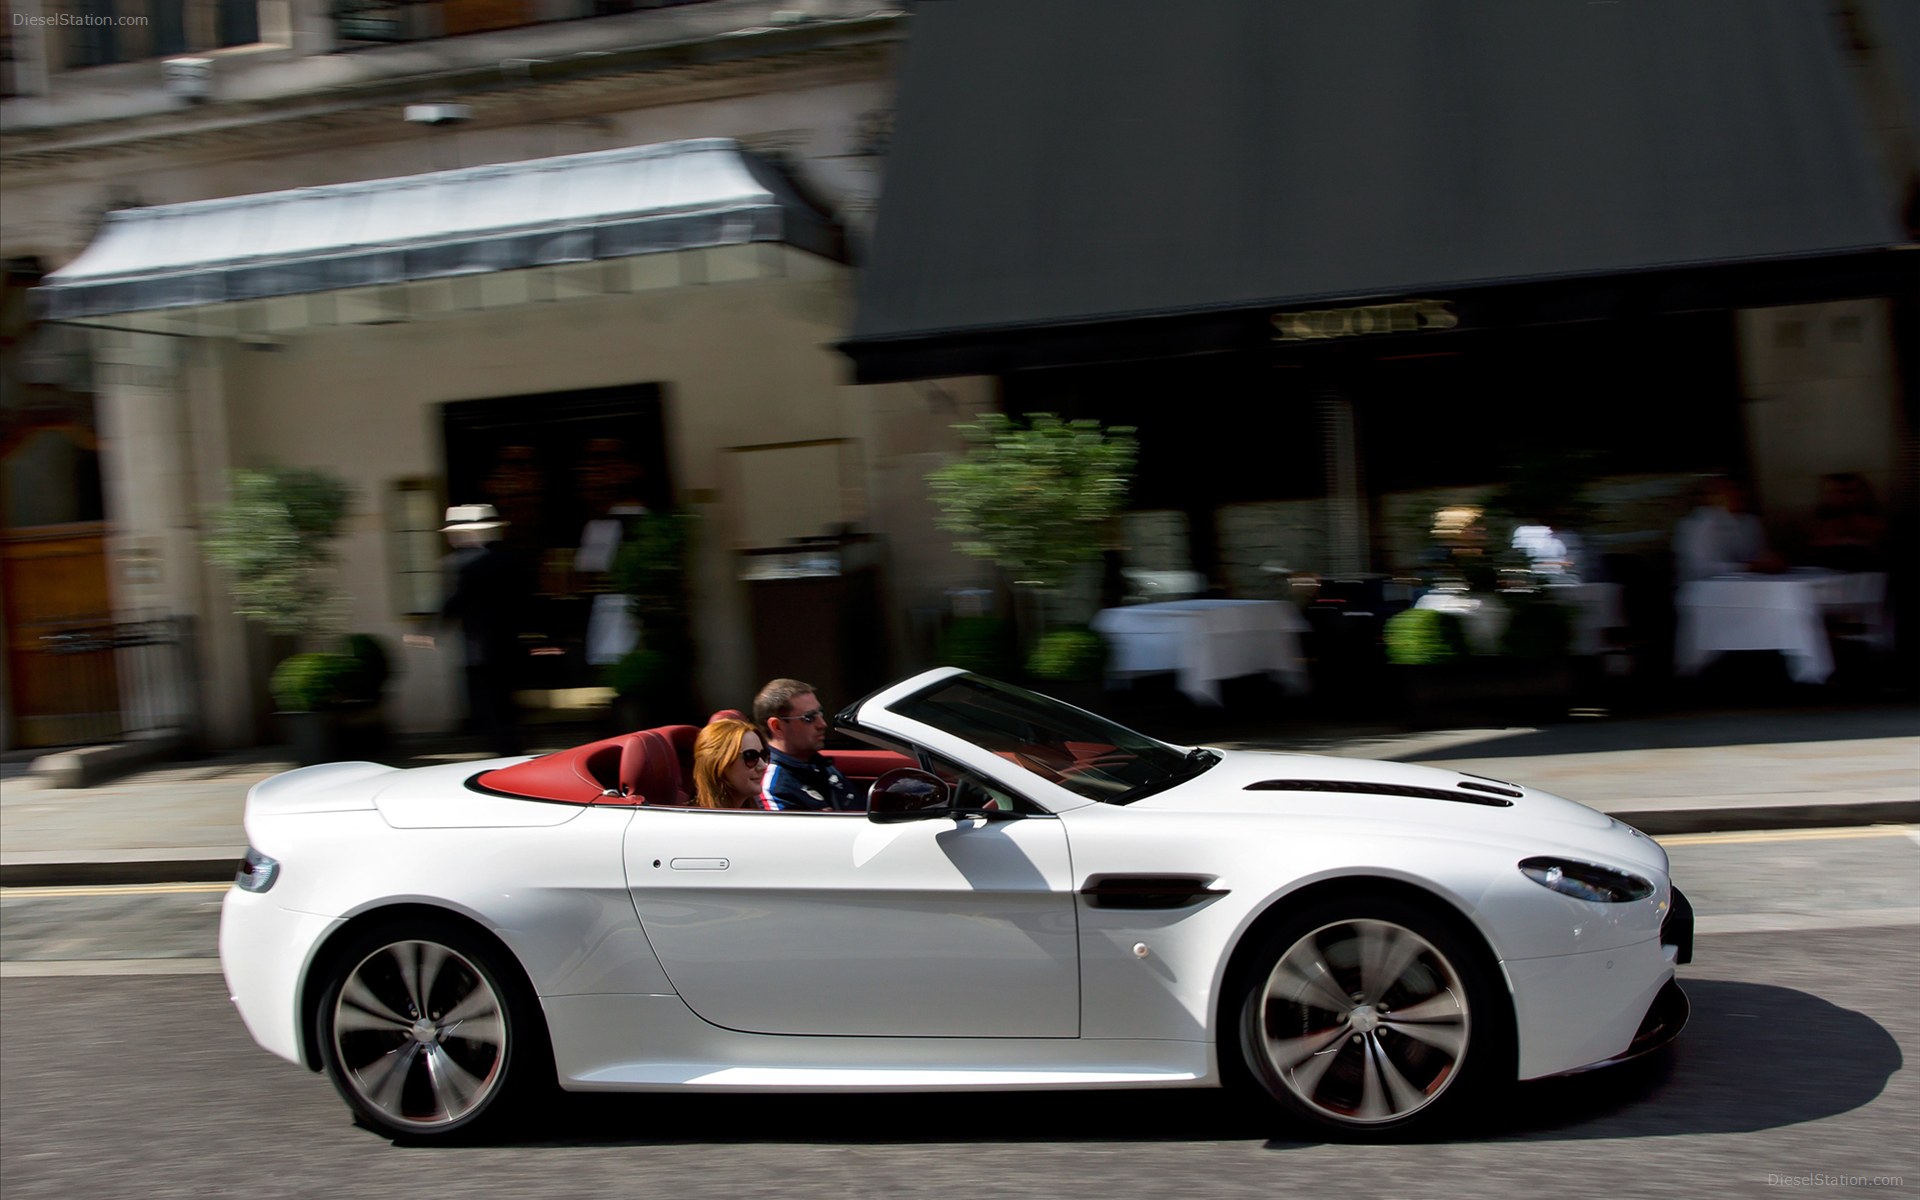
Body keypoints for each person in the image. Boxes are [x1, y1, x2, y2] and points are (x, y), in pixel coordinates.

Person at [435, 503, 532, 756]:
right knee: (505, 703)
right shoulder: (511, 558)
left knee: (489, 705)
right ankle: (513, 749)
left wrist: (434, 627)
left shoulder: (467, 564)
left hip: (481, 647)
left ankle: (504, 751)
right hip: (508, 643)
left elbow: (457, 601)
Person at [753, 677, 860, 812]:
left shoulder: (820, 765)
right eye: (809, 717)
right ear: (777, 726)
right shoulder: (774, 786)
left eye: (820, 713)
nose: (822, 724)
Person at [1673, 477, 1785, 583]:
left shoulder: (1751, 523)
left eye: (1739, 490)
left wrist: (1770, 562)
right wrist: (1750, 567)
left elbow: (1759, 557)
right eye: (1729, 491)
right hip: (1705, 592)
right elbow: (1701, 569)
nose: (1738, 495)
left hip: (1749, 587)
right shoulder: (1698, 526)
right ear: (1712, 498)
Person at [1808, 472, 1888, 572]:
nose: (1842, 497)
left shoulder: (1874, 518)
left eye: (1848, 492)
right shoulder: (1819, 519)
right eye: (1834, 492)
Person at [691, 718, 770, 808]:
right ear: (719, 763)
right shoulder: (698, 820)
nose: (763, 766)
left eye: (763, 755)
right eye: (751, 757)